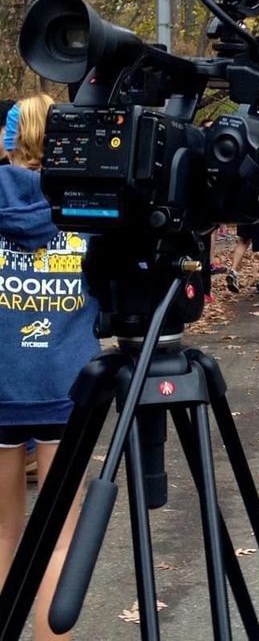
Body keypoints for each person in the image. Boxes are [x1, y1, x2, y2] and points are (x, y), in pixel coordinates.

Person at [0, 94, 99, 641]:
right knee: (59, 537)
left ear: (7, 143)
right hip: (66, 387)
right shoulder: (87, 203)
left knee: (1, 535)